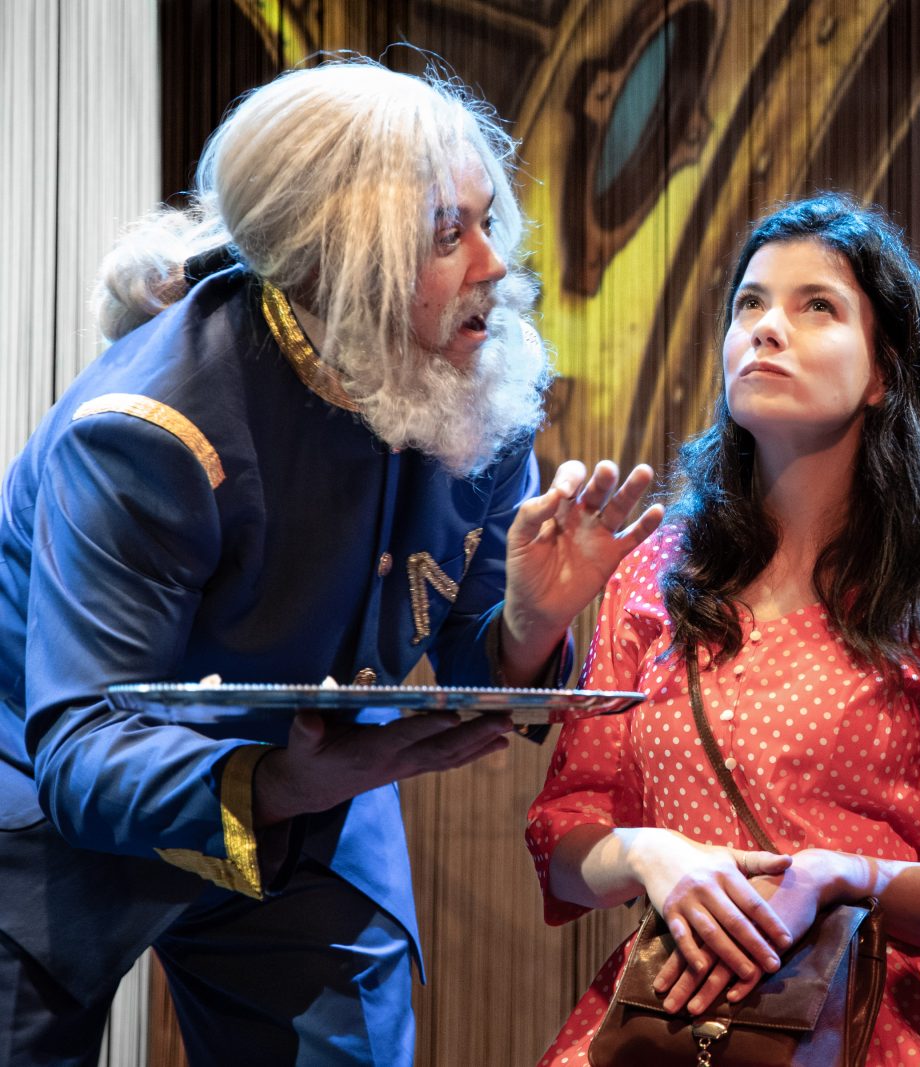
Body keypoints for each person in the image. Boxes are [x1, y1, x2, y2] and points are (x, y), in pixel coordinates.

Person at [0, 59, 663, 1066]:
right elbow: (82, 746)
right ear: (335, 267)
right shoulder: (147, 433)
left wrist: (530, 623)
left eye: (489, 222)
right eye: (448, 234)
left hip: (314, 799)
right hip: (47, 809)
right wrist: (278, 779)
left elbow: (470, 644)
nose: (495, 266)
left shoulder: (479, 384)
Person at [526, 193, 920, 1064]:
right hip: (670, 1016)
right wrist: (650, 854)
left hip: (863, 1023)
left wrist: (844, 877)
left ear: (881, 374)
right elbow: (561, 835)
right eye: (750, 304)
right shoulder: (655, 574)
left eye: (817, 307)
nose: (766, 328)